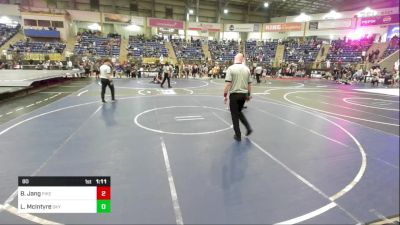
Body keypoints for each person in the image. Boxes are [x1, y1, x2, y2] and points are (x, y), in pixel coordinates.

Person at [223, 53, 252, 142]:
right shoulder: (247, 69)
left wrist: (225, 95)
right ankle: (248, 128)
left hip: (234, 95)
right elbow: (249, 84)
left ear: (235, 58)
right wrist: (248, 94)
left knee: (234, 115)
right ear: (242, 59)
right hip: (243, 95)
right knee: (238, 112)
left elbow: (228, 84)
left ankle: (238, 135)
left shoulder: (231, 68)